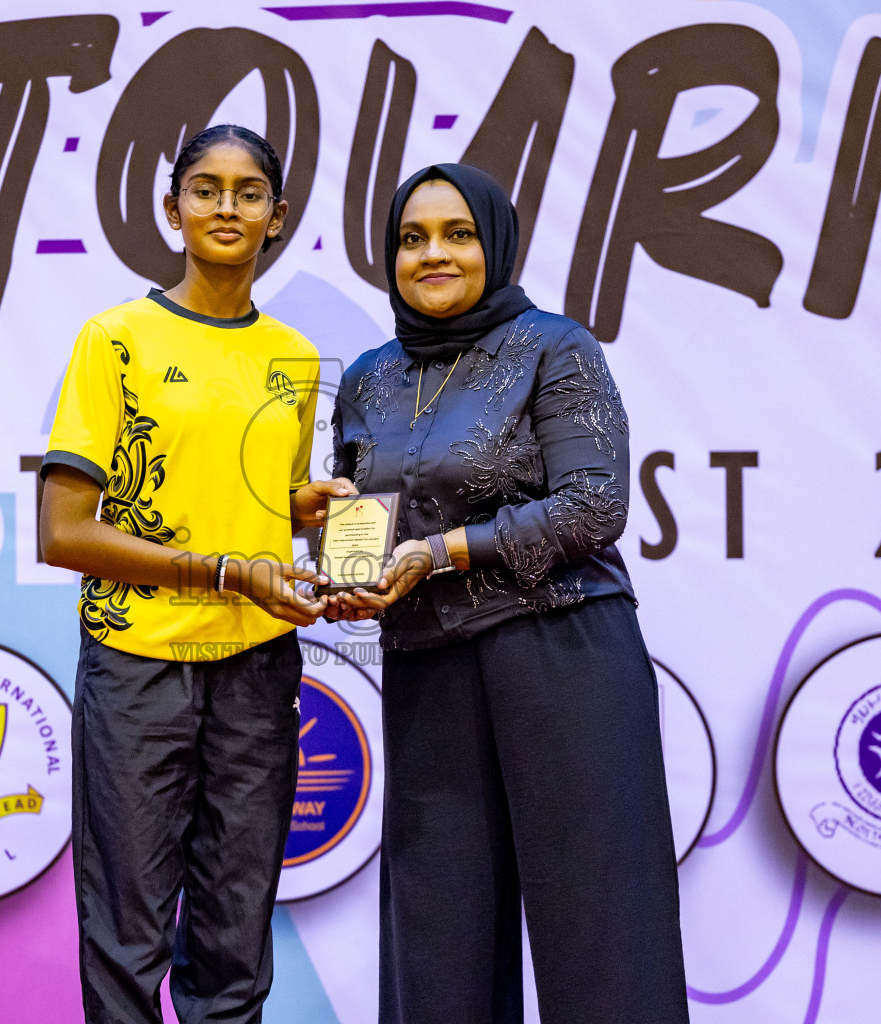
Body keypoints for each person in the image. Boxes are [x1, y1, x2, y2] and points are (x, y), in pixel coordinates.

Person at [326, 164, 690, 1024]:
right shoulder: (369, 377)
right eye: (412, 239)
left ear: (495, 243)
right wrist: (346, 575)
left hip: (562, 652)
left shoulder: (554, 347)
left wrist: (445, 550)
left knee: (603, 930)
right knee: (436, 939)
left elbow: (594, 505)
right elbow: (364, 517)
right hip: (427, 664)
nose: (433, 254)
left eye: (458, 234)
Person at [38, 124, 354, 1024]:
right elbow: (63, 532)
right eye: (205, 189)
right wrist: (223, 569)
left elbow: (249, 496)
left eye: (249, 191)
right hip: (138, 660)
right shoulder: (117, 339)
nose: (226, 206)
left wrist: (305, 512)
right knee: (127, 934)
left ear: (277, 218)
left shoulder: (293, 358)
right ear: (172, 210)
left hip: (257, 666)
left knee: (234, 937)